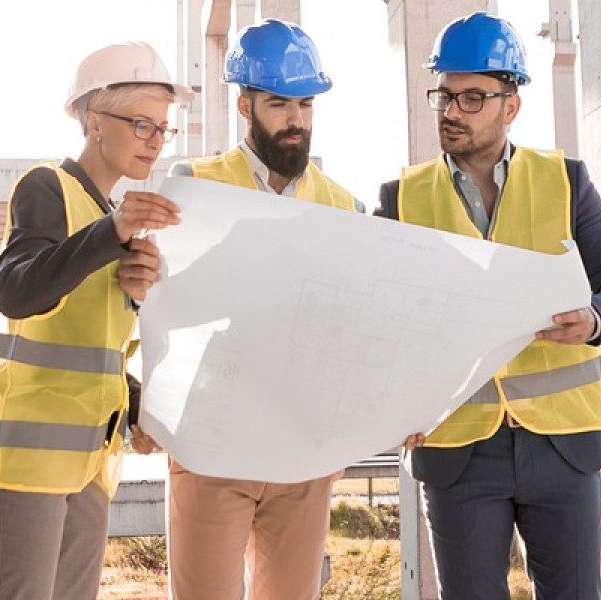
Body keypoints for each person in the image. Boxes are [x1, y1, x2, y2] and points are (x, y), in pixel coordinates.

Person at [375, 12, 601, 600]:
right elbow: (378, 319)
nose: (452, 111)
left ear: (510, 105)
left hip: (564, 448)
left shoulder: (564, 180)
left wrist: (596, 319)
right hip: (458, 451)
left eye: (472, 98)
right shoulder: (402, 199)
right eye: (444, 95)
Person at [0, 41, 186, 600]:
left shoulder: (108, 220)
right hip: (22, 462)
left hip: (88, 462)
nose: (154, 141)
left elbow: (89, 350)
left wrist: (134, 405)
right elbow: (17, 291)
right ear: (92, 120)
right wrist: (111, 237)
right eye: (141, 124)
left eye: (163, 128)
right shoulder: (45, 186)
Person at [151, 19, 360, 599]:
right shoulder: (194, 185)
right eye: (278, 103)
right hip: (212, 445)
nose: (295, 119)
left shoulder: (344, 205)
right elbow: (153, 304)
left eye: (304, 103)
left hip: (302, 452)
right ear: (245, 104)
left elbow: (353, 330)